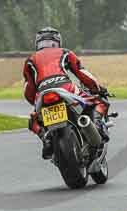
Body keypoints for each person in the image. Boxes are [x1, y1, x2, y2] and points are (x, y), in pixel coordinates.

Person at [23, 27, 110, 159]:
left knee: (33, 121)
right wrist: (97, 89)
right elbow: (82, 74)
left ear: (37, 43)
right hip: (65, 88)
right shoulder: (65, 53)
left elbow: (28, 89)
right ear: (57, 41)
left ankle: (46, 139)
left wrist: (34, 103)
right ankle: (97, 128)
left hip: (42, 95)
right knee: (98, 102)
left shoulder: (30, 60)